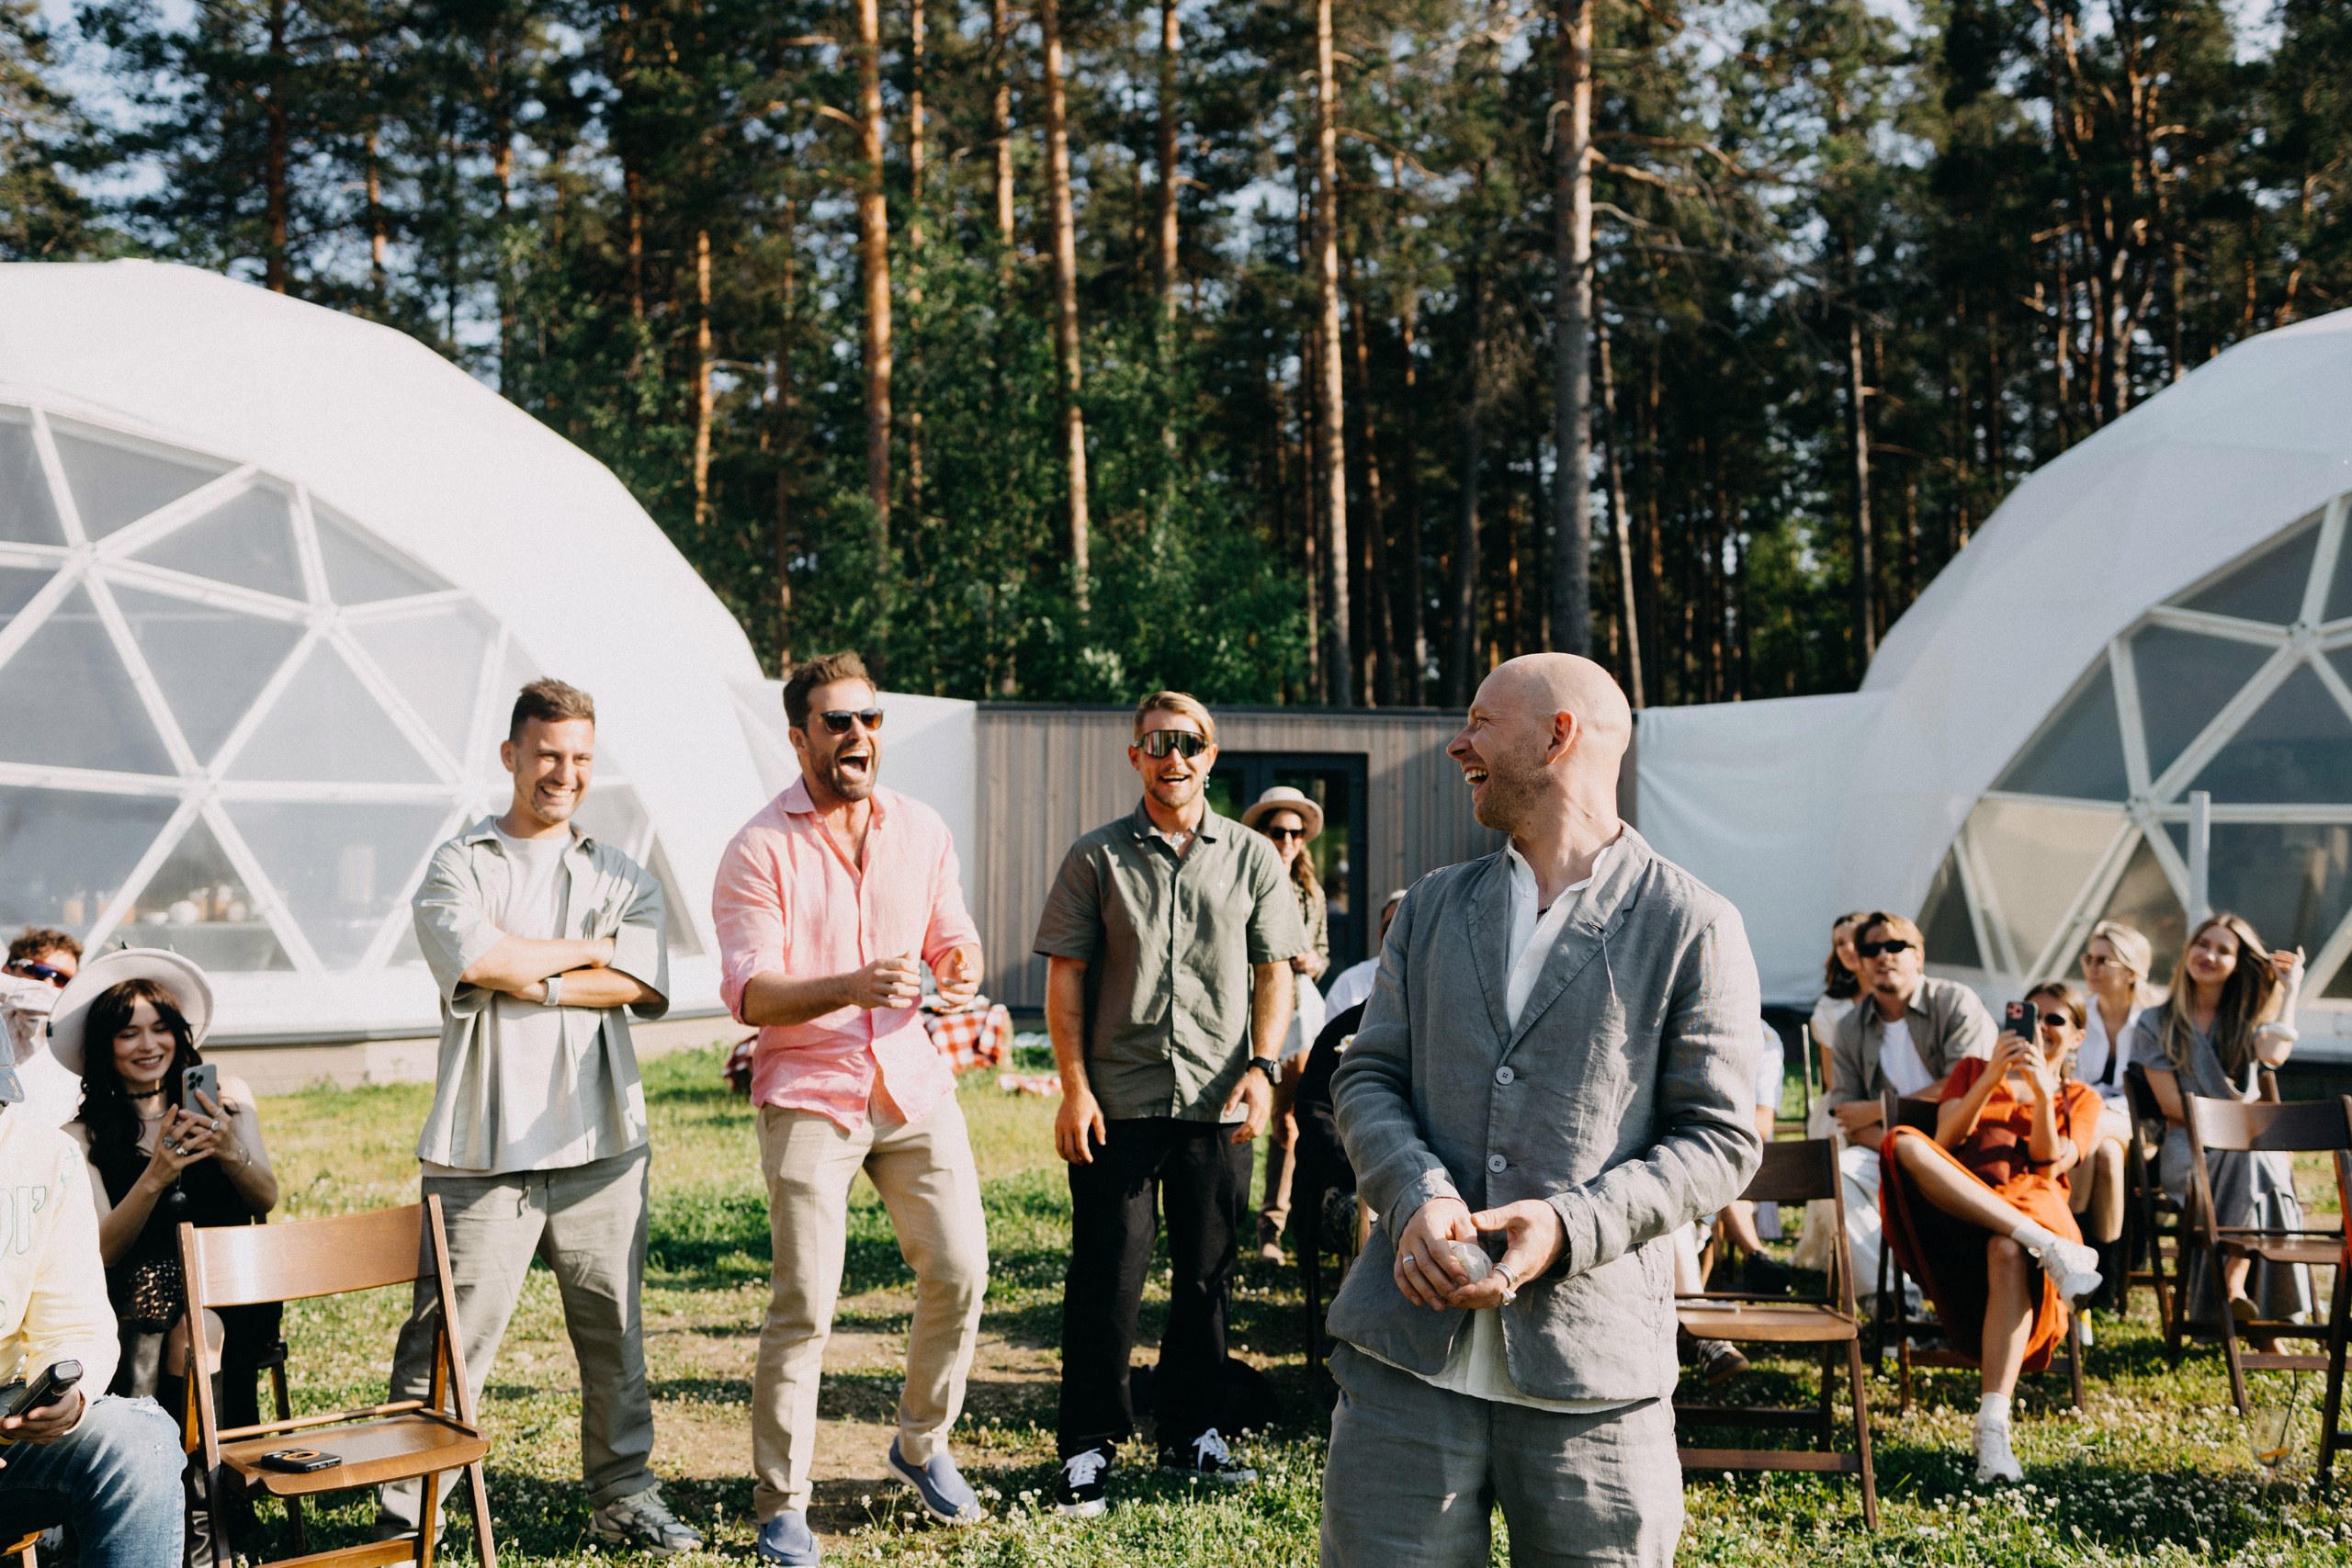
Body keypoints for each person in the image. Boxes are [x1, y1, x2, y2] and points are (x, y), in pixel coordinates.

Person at [1321, 653, 1762, 1568]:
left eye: (1480, 721)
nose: (1456, 743)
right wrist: (1418, 1199)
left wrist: (1568, 1226)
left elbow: (1719, 1139)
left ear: (1559, 734)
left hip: (1594, 1381)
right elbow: (1367, 1077)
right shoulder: (1434, 907)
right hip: (1405, 1367)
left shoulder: (1694, 924)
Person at [383, 678, 698, 1556]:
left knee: (616, 1339)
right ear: (511, 755)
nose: (564, 773)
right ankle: (409, 1510)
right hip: (481, 1148)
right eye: (548, 753)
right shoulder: (459, 864)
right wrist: (589, 949)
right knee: (449, 1340)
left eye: (580, 757)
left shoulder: (618, 872)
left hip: (603, 1145)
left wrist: (539, 976)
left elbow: (637, 980)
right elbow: (477, 954)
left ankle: (623, 1496)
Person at [711, 651, 991, 1566]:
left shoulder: (921, 829)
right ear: (799, 738)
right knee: (805, 1304)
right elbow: (752, 995)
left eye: (869, 720)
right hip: (808, 1093)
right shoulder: (759, 847)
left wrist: (957, 975)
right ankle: (782, 1504)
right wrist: (851, 985)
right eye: (837, 722)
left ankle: (919, 1444)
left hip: (910, 1081)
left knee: (961, 1269)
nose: (858, 737)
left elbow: (956, 941)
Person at [1035, 690, 1304, 1517]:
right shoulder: (1096, 857)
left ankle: (1191, 1428)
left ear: (1211, 756)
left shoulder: (1255, 858)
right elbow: (1066, 979)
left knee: (1206, 1276)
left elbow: (1275, 973)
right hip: (1119, 1102)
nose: (1173, 757)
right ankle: (1087, 1445)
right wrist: (1074, 1088)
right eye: (1157, 743)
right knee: (1108, 1276)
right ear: (1136, 757)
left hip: (1221, 1104)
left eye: (1188, 743)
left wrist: (1261, 1068)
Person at [52, 951, 278, 1560]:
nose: (148, 1044)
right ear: (106, 1047)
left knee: (200, 1323)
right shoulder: (81, 1137)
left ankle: (196, 1525)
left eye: (160, 1027)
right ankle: (205, 1523)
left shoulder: (227, 1098)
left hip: (231, 1292)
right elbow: (102, 1248)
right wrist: (154, 1175)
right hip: (134, 1304)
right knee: (184, 1325)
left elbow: (267, 1195)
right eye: (129, 1032)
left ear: (181, 1034)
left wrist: (231, 1149)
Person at [1879, 981, 2106, 1483]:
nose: (2041, 1028)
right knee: (1904, 1142)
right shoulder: (1973, 1070)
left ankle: (1992, 1427)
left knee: (2009, 1245)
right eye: (2032, 1016)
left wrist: (2044, 1095)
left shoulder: (2082, 1098)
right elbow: (1945, 1141)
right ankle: (2052, 1247)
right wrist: (1991, 1079)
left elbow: (2049, 1168)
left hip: (2028, 1217)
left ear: (2078, 1037)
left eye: (2055, 1020)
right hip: (1960, 1215)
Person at [0, 1055, 187, 1566]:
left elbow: (74, 1321)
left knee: (138, 1440)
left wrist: (67, 1397)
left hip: (5, 1424)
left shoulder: (43, 1155)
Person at [2132, 912, 2309, 1330]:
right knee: (2264, 1170)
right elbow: (2175, 1107)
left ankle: (2235, 1284)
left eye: (2223, 950)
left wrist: (2291, 990)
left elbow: (2274, 1055)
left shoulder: (2244, 1020)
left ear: (2237, 963)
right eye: (2202, 944)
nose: (2208, 955)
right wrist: (2235, 1129)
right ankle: (2267, 1325)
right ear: (2188, 950)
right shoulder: (2154, 1022)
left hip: (2246, 1148)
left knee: (2256, 1161)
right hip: (2188, 1148)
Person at [1822, 912, 1997, 1293]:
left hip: (1967, 1140)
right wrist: (1898, 1147)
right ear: (1861, 962)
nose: (1882, 956)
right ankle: (1888, 1295)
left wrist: (1879, 1108)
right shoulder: (1851, 1026)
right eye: (1870, 949)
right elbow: (1847, 1114)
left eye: (1895, 946)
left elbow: (1965, 1085)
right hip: (1890, 1148)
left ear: (1918, 955)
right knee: (1843, 1171)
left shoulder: (1954, 1002)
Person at [1241, 784, 1329, 1262]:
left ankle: (1274, 1227)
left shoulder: (1311, 892)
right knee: (1249, 1119)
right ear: (1263, 832)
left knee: (1291, 1123)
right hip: (1248, 1013)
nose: (1289, 841)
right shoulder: (1244, 877)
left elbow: (1323, 954)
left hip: (1298, 1014)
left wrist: (1312, 961)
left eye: (1297, 833)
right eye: (1279, 831)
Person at [2070, 920, 2151, 1298]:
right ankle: (2107, 1278)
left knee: (2092, 1133)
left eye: (2104, 960)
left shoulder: (2152, 1021)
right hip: (2088, 1120)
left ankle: (2071, 1246)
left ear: (2132, 972)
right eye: (2089, 958)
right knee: (2104, 1153)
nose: (2092, 967)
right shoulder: (2078, 1015)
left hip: (2140, 1121)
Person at [1791, 913, 1866, 1278]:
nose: (1848, 948)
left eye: (1855, 939)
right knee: (1833, 1129)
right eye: (1840, 943)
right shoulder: (1832, 1007)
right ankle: (1841, 1252)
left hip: (1896, 1102)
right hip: (1845, 1100)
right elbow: (1829, 1078)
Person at [4, 927, 83, 1127]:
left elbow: (47, 999)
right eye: (37, 971)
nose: (48, 983)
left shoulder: (75, 1036)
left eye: (62, 979)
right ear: (8, 969)